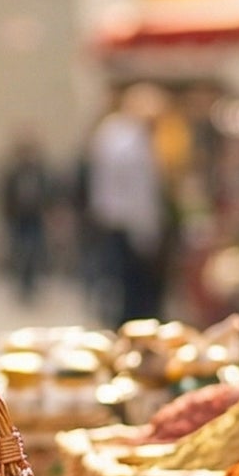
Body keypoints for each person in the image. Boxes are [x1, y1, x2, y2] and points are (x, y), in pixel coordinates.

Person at [84, 84, 168, 323]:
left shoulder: (111, 134)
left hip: (115, 220)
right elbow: (138, 193)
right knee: (133, 292)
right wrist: (147, 233)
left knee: (121, 285)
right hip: (128, 225)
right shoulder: (130, 141)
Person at [0, 132, 53, 300]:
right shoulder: (13, 172)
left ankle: (32, 283)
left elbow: (48, 193)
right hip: (18, 218)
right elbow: (5, 194)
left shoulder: (40, 171)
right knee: (20, 251)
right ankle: (21, 283)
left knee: (35, 251)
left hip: (35, 217)